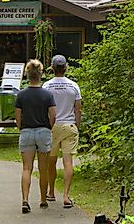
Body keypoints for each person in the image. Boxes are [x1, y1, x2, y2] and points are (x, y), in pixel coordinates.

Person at [15, 59, 56, 214]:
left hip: (26, 131)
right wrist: (49, 127)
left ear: (27, 74)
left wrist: (21, 128)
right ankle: (43, 199)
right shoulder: (47, 94)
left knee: (27, 168)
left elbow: (18, 117)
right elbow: (53, 115)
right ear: (41, 74)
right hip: (43, 131)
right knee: (43, 168)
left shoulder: (21, 95)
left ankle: (25, 200)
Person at [43, 55, 82, 208]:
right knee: (68, 162)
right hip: (69, 125)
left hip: (52, 127)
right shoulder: (74, 86)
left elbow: (44, 108)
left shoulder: (47, 86)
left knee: (50, 161)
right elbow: (78, 108)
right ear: (66, 68)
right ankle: (66, 196)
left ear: (52, 68)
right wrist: (76, 125)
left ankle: (51, 192)